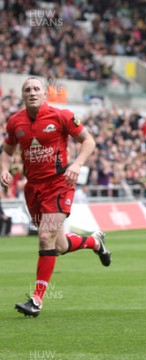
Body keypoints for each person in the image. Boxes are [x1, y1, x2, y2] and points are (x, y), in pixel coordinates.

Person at [0, 77, 112, 317]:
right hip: (34, 189)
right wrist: (3, 169)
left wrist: (78, 164)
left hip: (60, 183)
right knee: (58, 245)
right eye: (27, 89)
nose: (32, 92)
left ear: (44, 94)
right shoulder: (15, 122)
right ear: (23, 95)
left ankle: (36, 300)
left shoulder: (61, 116)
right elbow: (7, 151)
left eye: (36, 89)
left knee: (44, 236)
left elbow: (88, 141)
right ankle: (95, 242)